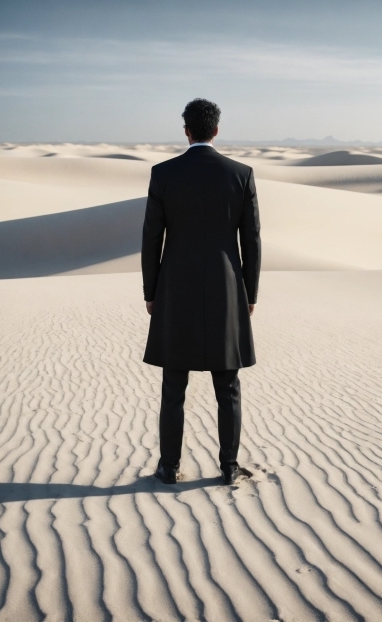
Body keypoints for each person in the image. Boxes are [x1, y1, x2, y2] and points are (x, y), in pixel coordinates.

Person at [141, 98, 261, 485]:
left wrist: (151, 291)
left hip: (175, 291)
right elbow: (252, 241)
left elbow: (150, 241)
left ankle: (169, 467)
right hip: (228, 291)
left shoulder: (163, 174)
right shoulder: (240, 174)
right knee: (227, 385)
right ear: (216, 130)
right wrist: (251, 293)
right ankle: (228, 468)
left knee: (174, 384)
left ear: (187, 130)